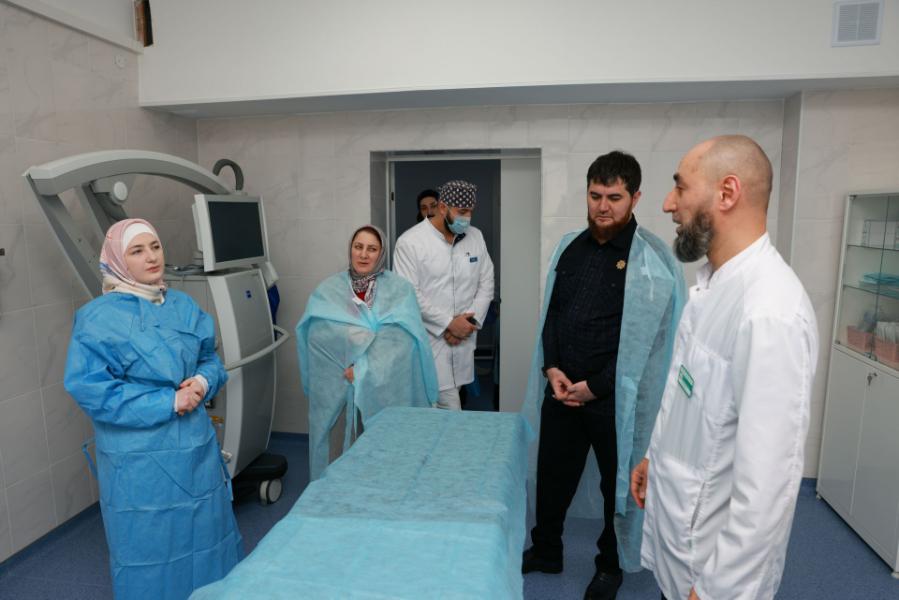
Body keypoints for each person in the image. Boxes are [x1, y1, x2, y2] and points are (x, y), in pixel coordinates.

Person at [630, 135, 819, 600]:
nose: (668, 203)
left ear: (727, 193)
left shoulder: (770, 312)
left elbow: (769, 484)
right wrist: (655, 454)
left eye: (680, 187)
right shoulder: (713, 287)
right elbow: (685, 391)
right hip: (683, 536)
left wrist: (720, 589)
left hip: (715, 571)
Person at [521, 151, 685, 600]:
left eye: (614, 197)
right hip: (562, 390)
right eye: (595, 196)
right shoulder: (569, 247)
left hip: (616, 400)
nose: (603, 207)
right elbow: (552, 314)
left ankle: (609, 566)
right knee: (552, 477)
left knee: (617, 486)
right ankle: (547, 550)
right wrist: (552, 367)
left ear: (635, 198)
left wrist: (595, 387)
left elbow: (649, 345)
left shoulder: (652, 261)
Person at [64, 218, 242, 600]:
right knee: (150, 554)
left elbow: (210, 359)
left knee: (208, 542)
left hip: (195, 454)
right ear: (117, 259)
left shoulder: (183, 306)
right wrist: (168, 401)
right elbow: (92, 390)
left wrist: (203, 381)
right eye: (137, 250)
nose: (151, 257)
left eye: (155, 246)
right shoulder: (98, 319)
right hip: (141, 467)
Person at [296, 225, 439, 479]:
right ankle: (333, 492)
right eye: (358, 247)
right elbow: (318, 337)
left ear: (381, 253)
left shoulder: (400, 290)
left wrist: (364, 368)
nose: (363, 254)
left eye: (372, 249)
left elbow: (403, 343)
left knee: (383, 452)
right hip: (339, 384)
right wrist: (350, 354)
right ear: (350, 249)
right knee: (337, 450)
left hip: (383, 386)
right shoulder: (328, 291)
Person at [394, 180, 495, 410]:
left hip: (462, 342)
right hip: (431, 344)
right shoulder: (410, 242)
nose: (467, 218)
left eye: (470, 211)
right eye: (462, 212)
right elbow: (408, 294)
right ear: (442, 208)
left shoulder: (476, 236)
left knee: (449, 404)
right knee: (444, 409)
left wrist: (467, 324)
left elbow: (486, 282)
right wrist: (448, 324)